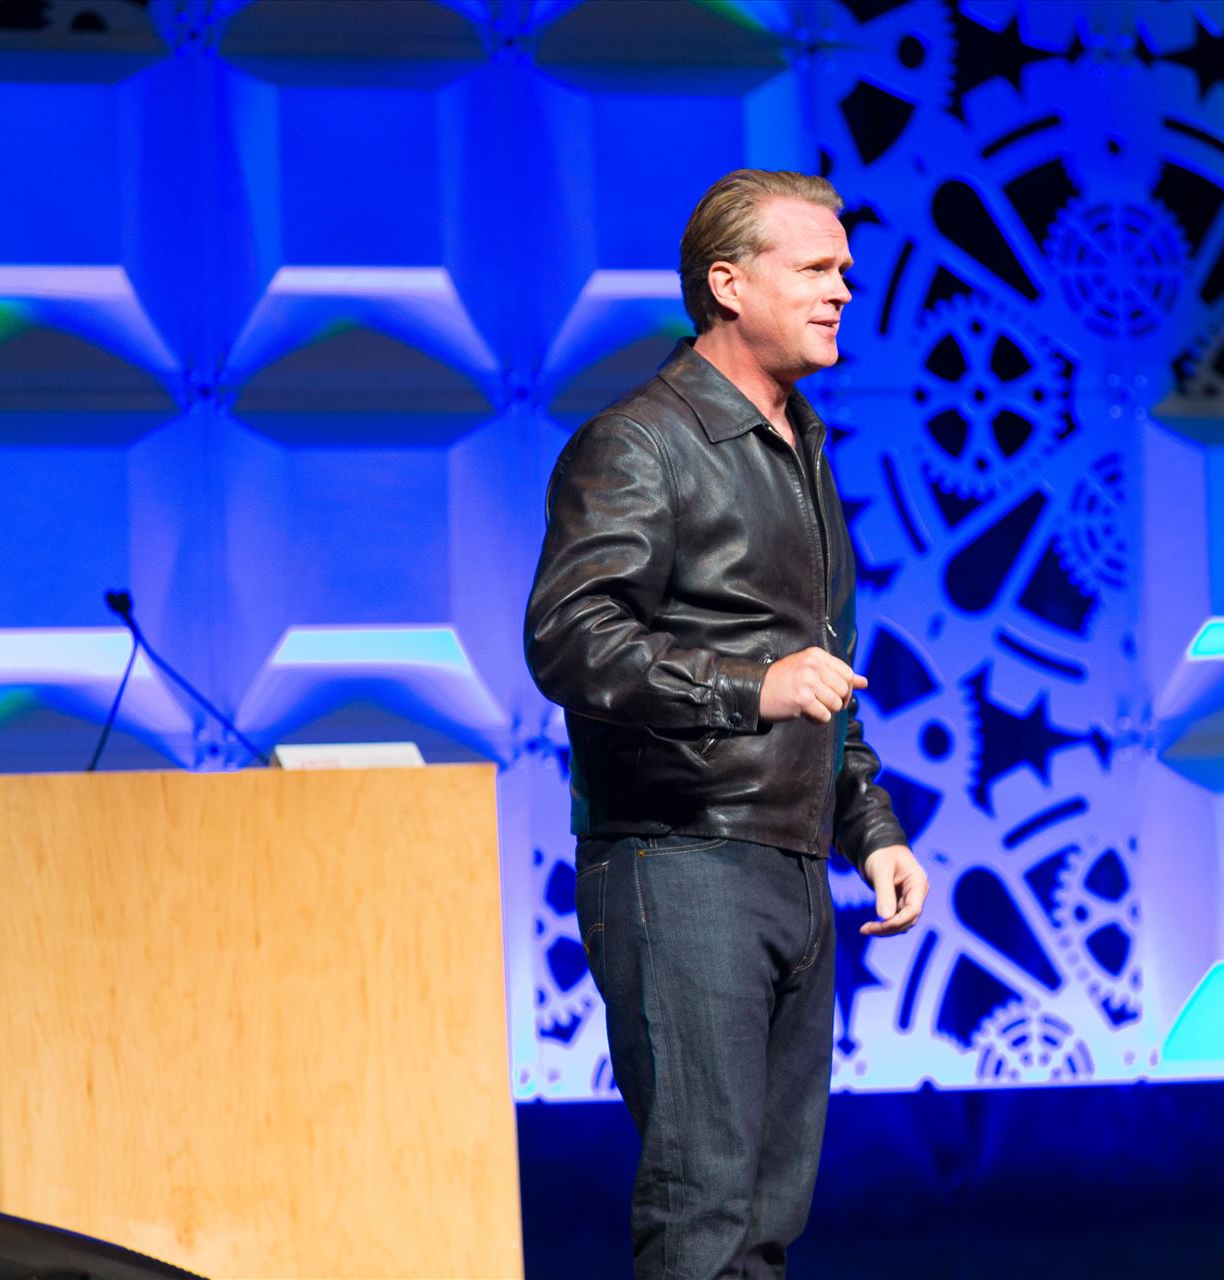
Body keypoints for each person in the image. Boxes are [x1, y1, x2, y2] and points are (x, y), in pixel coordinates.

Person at [523, 168, 929, 1279]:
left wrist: (873, 827)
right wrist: (748, 686)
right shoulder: (641, 443)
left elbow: (822, 667)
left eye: (844, 266)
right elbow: (570, 639)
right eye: (816, 266)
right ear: (728, 283)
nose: (845, 286)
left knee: (763, 1220)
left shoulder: (803, 445)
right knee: (704, 1205)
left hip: (793, 863)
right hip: (680, 858)